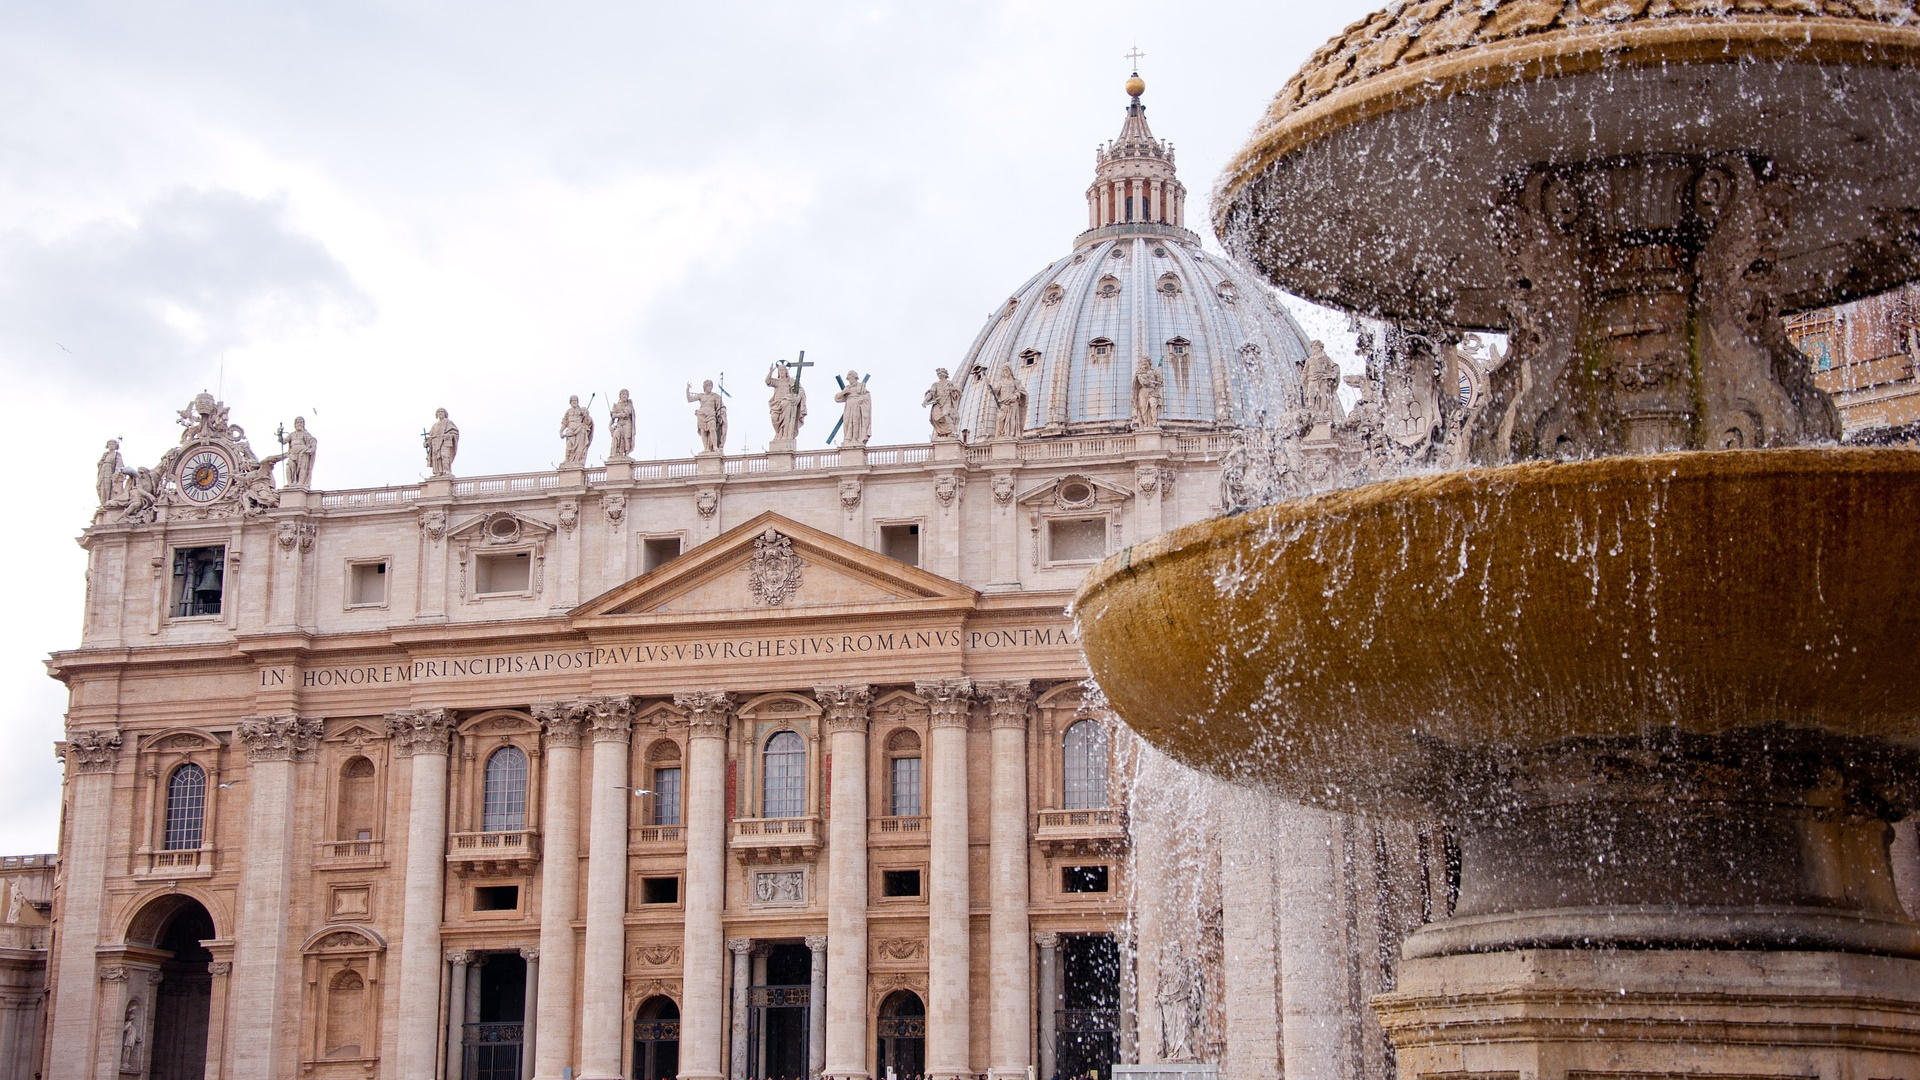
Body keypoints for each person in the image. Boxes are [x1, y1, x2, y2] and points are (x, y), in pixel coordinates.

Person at [765, 363, 806, 444]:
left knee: (787, 419)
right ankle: (778, 433)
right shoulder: (776, 381)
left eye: (783, 370)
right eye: (780, 370)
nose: (781, 372)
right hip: (776, 404)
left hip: (787, 402)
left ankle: (785, 436)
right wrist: (770, 372)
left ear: (786, 371)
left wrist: (798, 397)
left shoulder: (790, 380)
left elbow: (800, 390)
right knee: (774, 418)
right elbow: (768, 381)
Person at [687, 380, 728, 453]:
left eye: (711, 386)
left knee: (712, 429)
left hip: (711, 414)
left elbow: (721, 405)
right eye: (708, 386)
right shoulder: (701, 396)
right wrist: (687, 390)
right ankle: (706, 448)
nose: (710, 387)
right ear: (705, 387)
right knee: (703, 431)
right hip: (701, 415)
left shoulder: (715, 396)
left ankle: (715, 447)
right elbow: (689, 399)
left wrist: (721, 413)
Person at [835, 370, 872, 447]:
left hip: (857, 406)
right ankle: (847, 438)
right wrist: (844, 392)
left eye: (851, 379)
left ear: (855, 378)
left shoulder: (861, 386)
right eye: (848, 379)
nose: (850, 381)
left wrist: (861, 398)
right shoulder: (847, 388)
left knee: (856, 421)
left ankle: (855, 438)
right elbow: (837, 398)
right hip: (848, 406)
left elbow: (867, 396)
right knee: (847, 421)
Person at [922, 368, 961, 438]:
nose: (939, 375)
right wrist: (925, 401)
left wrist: (953, 390)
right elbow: (931, 393)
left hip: (947, 403)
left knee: (946, 415)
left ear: (944, 374)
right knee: (935, 418)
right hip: (938, 403)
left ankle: (953, 432)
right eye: (938, 374)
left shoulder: (950, 384)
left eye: (940, 373)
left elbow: (957, 394)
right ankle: (944, 433)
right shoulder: (936, 384)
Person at [281, 417, 317, 486]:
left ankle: (300, 483)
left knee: (302, 467)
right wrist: (279, 434)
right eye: (297, 422)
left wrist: (313, 447)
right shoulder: (291, 434)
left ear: (303, 424)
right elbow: (284, 441)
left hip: (302, 452)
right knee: (289, 466)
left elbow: (312, 440)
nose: (299, 424)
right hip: (292, 453)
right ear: (295, 424)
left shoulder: (305, 434)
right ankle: (289, 483)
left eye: (301, 422)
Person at [558, 395, 594, 465]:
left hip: (580, 429)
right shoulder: (568, 411)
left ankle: (577, 460)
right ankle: (567, 460)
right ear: (570, 402)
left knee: (580, 446)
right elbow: (565, 422)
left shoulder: (582, 410)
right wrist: (561, 431)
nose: (574, 402)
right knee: (569, 445)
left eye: (575, 400)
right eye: (572, 400)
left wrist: (586, 415)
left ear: (578, 402)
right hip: (570, 430)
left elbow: (588, 422)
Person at [425, 408, 460, 476]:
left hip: (445, 442)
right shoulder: (435, 425)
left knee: (444, 455)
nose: (440, 413)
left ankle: (446, 471)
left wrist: (447, 435)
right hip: (436, 443)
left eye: (442, 411)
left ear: (445, 413)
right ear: (436, 414)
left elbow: (455, 433)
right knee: (436, 458)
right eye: (438, 412)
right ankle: (438, 472)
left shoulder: (449, 422)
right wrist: (427, 441)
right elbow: (432, 435)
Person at [1132, 357, 1164, 429]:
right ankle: (1145, 424)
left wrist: (1157, 383)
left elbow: (1160, 382)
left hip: (1153, 392)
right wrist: (1152, 382)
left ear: (1149, 363)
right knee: (1143, 409)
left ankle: (1154, 422)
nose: (1144, 363)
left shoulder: (1154, 372)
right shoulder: (1139, 373)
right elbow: (1144, 382)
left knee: (1153, 405)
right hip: (1143, 392)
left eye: (1145, 362)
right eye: (1142, 362)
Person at [607, 391, 635, 460]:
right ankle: (614, 453)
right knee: (616, 436)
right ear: (620, 396)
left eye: (626, 394)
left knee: (626, 438)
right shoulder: (616, 405)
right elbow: (613, 417)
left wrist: (616, 415)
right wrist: (611, 420)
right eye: (623, 394)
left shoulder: (629, 405)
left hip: (627, 423)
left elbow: (625, 414)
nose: (624, 396)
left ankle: (626, 454)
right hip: (619, 424)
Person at [96, 440, 124, 504]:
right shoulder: (105, 454)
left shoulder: (117, 454)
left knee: (107, 485)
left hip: (109, 469)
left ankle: (107, 501)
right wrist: (100, 463)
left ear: (116, 445)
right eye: (110, 444)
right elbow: (100, 462)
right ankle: (102, 502)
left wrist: (117, 471)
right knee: (99, 485)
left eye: (113, 444)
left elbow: (119, 463)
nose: (111, 446)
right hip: (102, 469)